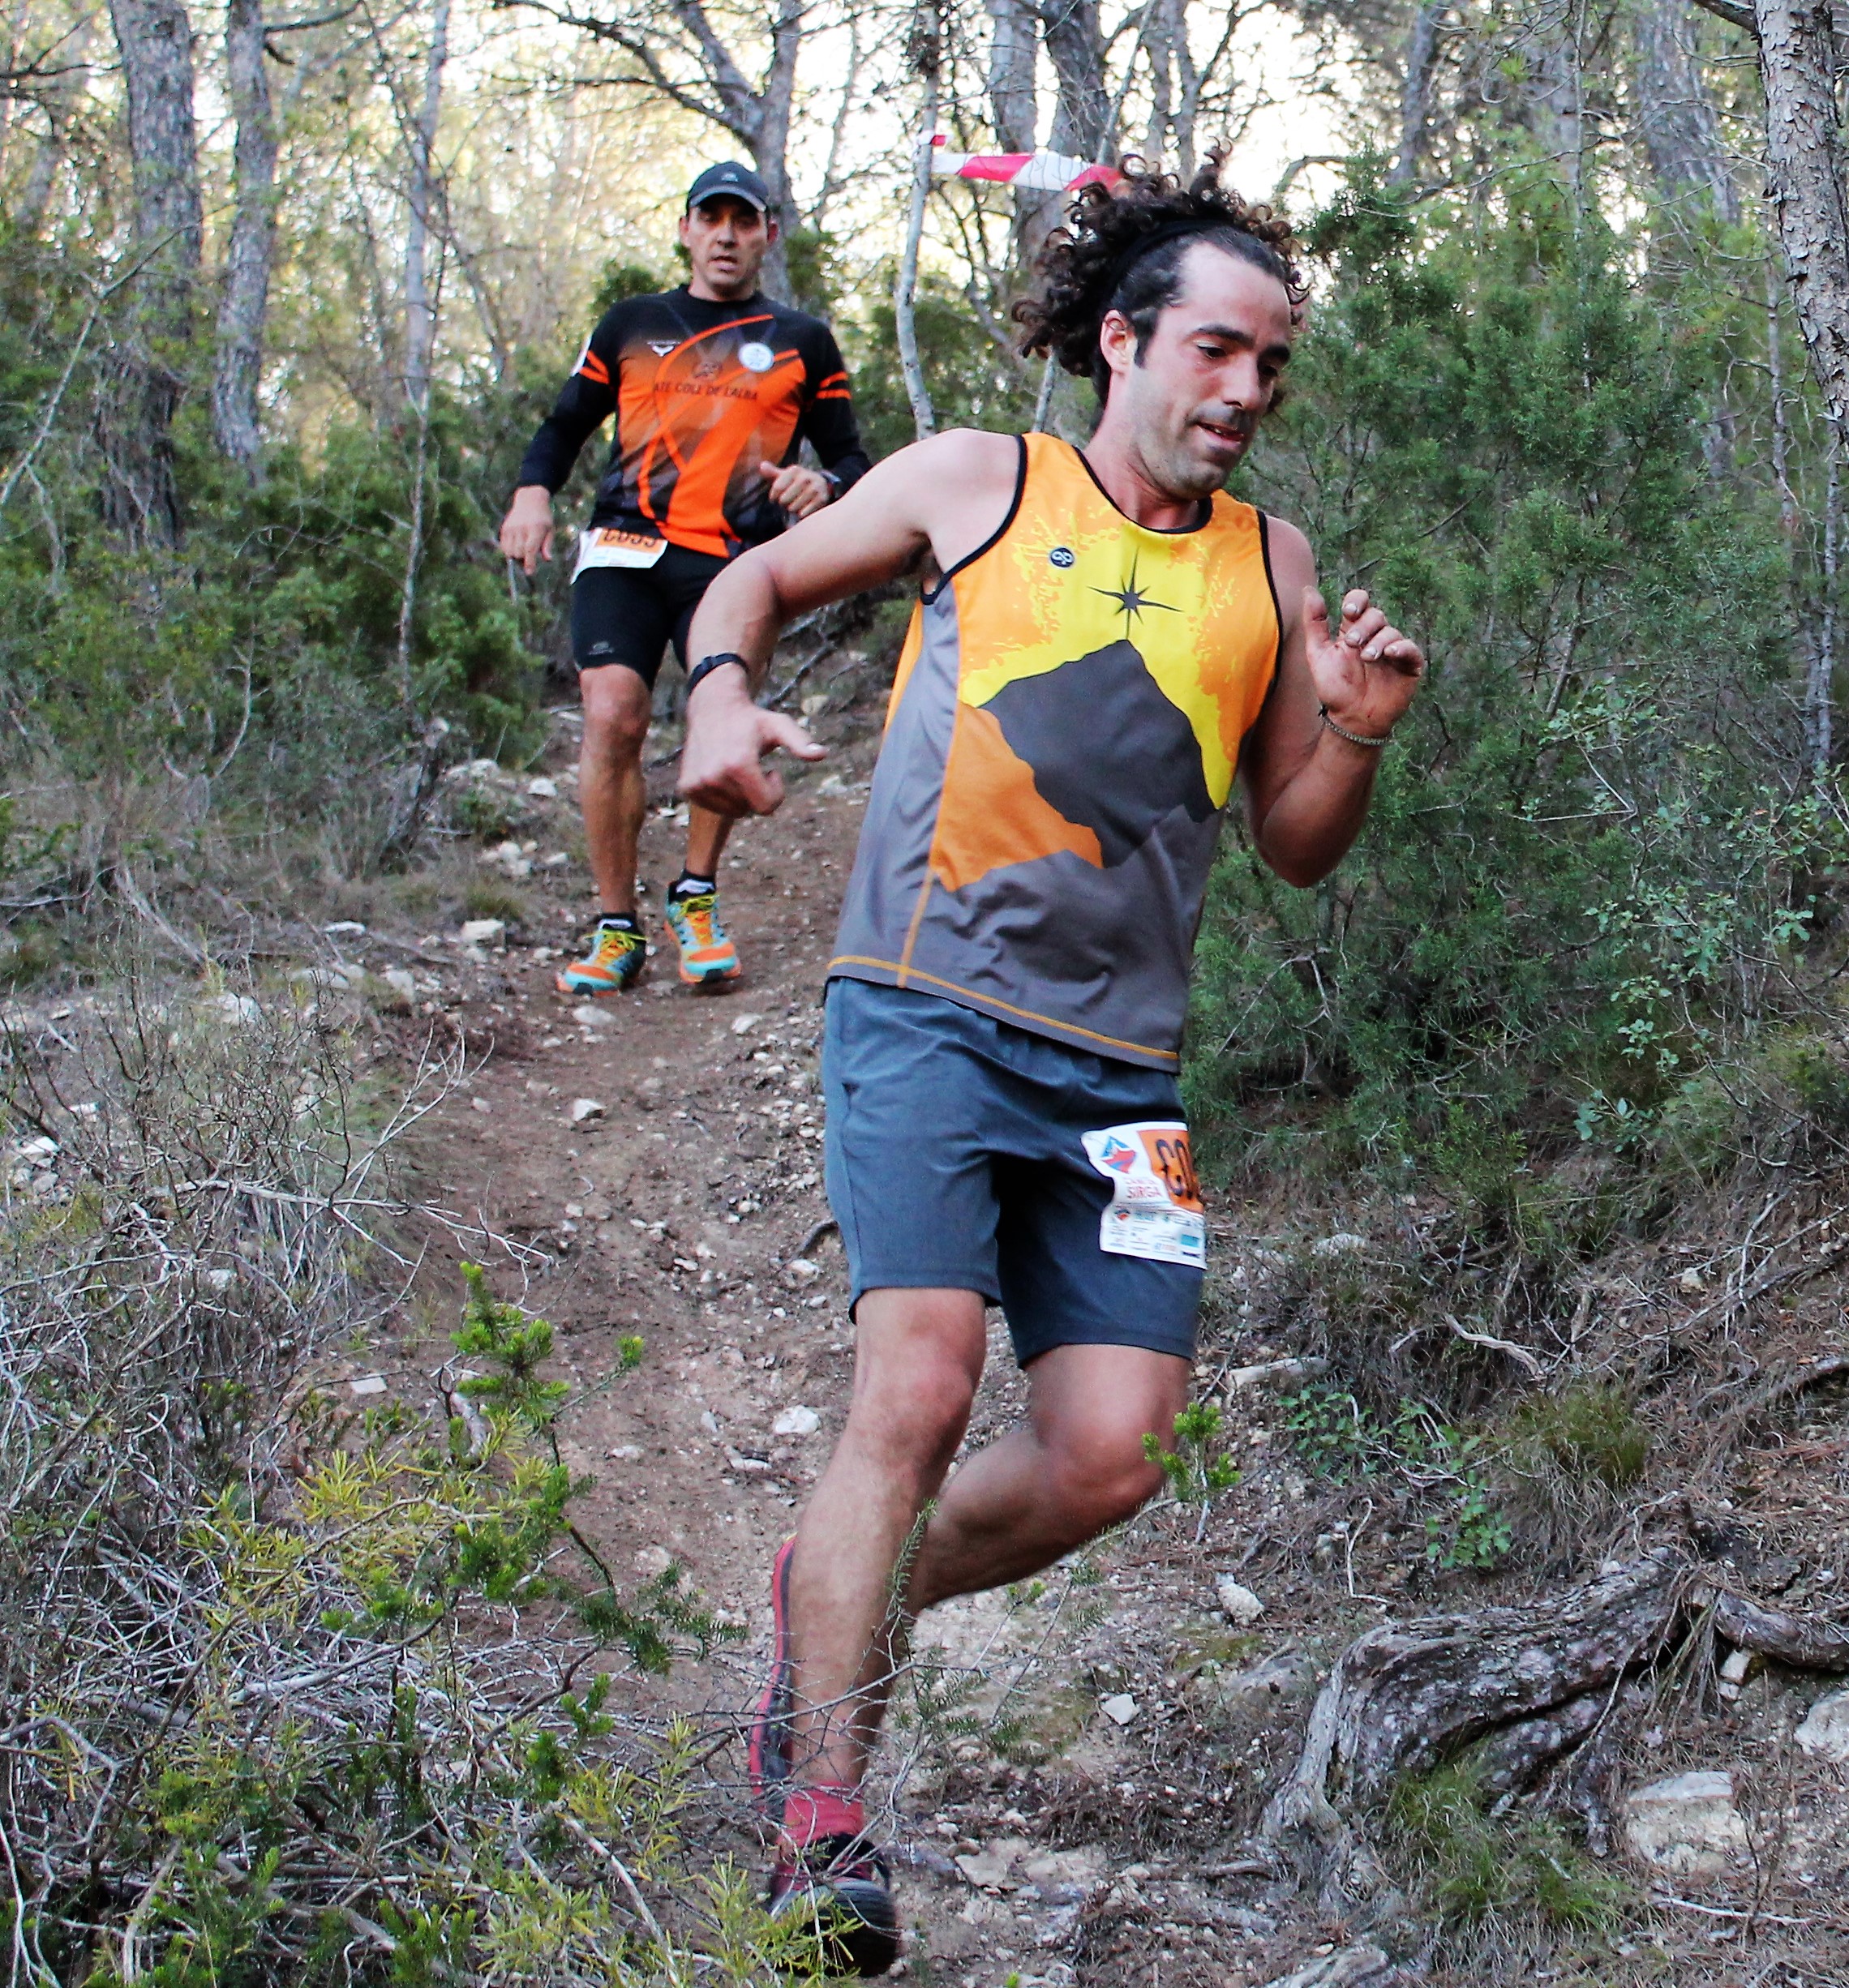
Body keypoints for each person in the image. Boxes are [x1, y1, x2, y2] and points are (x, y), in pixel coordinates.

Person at [673, 160, 1426, 1973]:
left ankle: (834, 1593)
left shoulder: (1271, 567)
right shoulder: (979, 481)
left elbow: (1290, 843)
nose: (1245, 390)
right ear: (1123, 341)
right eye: (1217, 349)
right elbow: (758, 574)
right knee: (923, 1383)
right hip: (923, 1006)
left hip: (1120, 1073)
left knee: (1112, 1455)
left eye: (1272, 365)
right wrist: (716, 694)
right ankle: (821, 1827)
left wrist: (1352, 734)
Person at [499, 162, 870, 997]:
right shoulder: (632, 323)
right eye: (712, 219)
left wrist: (824, 483)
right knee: (611, 713)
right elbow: (564, 423)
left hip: (734, 565)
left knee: (719, 717)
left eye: (744, 221)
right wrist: (531, 494)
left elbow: (849, 455)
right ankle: (615, 926)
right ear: (686, 230)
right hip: (625, 548)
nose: (726, 236)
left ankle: (695, 895)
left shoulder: (802, 339)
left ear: (768, 234)